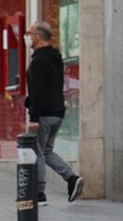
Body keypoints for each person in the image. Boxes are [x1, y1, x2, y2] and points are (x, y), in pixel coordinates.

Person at [24, 21, 83, 205]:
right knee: (47, 151)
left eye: (29, 33)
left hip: (43, 114)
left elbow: (38, 91)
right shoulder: (55, 58)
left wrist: (34, 117)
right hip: (56, 112)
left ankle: (39, 194)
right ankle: (71, 178)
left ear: (38, 37)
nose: (27, 37)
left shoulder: (39, 61)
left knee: (38, 152)